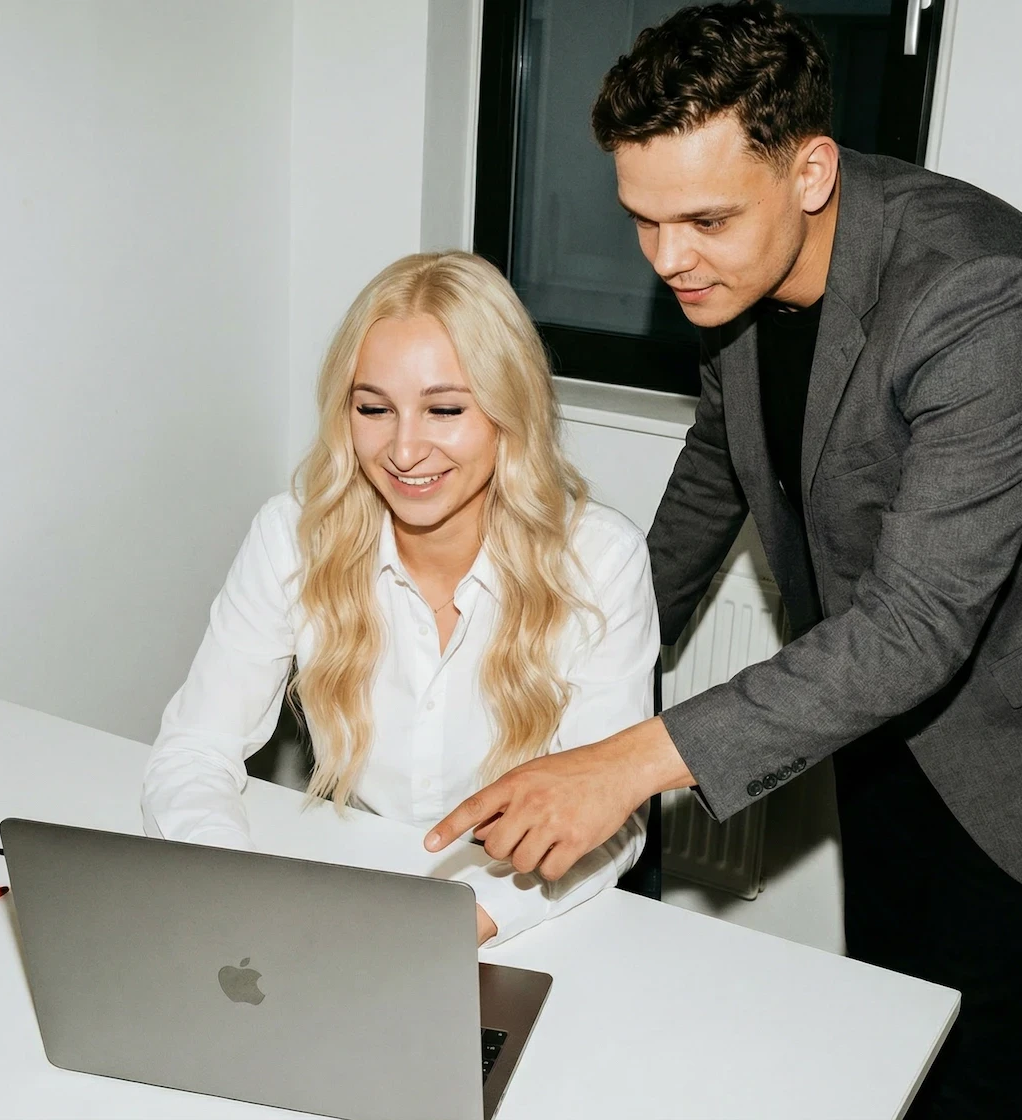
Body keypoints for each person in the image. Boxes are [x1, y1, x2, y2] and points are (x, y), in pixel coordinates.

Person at [425, 3, 1022, 1114]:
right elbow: (719, 464)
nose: (668, 260)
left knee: (974, 1059)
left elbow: (917, 624)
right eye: (642, 220)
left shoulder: (983, 296)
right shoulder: (735, 266)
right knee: (888, 1011)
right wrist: (590, 648)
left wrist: (626, 762)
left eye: (701, 220)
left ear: (810, 171)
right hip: (874, 700)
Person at [142, 250, 657, 946]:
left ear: (509, 411)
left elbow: (609, 817)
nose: (404, 450)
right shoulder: (291, 536)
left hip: (525, 923)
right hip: (344, 895)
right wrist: (235, 894)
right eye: (374, 408)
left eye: (444, 409)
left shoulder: (600, 561)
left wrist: (447, 928)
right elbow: (193, 750)